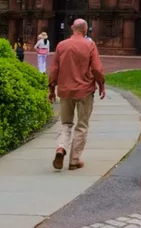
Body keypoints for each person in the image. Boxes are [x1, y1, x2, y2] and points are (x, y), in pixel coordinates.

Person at [48, 18, 105, 171]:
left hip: (65, 90)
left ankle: (60, 148)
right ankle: (74, 160)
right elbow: (97, 69)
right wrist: (101, 84)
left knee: (66, 123)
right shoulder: (90, 45)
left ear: (73, 28)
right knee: (82, 125)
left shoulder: (61, 45)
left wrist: (51, 88)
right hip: (85, 91)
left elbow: (54, 69)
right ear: (85, 30)